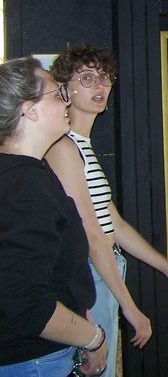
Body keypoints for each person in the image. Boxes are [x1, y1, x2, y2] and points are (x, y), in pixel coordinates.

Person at [46, 44, 168, 377]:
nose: (100, 85)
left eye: (105, 77)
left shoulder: (81, 145)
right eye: (87, 78)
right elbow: (92, 235)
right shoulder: (64, 146)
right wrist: (131, 307)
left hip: (105, 271)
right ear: (65, 88)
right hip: (90, 274)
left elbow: (113, 223)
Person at [0, 57, 108, 376]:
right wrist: (93, 338)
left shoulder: (32, 171)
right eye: (58, 93)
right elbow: (28, 304)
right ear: (29, 110)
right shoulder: (22, 185)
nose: (67, 100)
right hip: (32, 359)